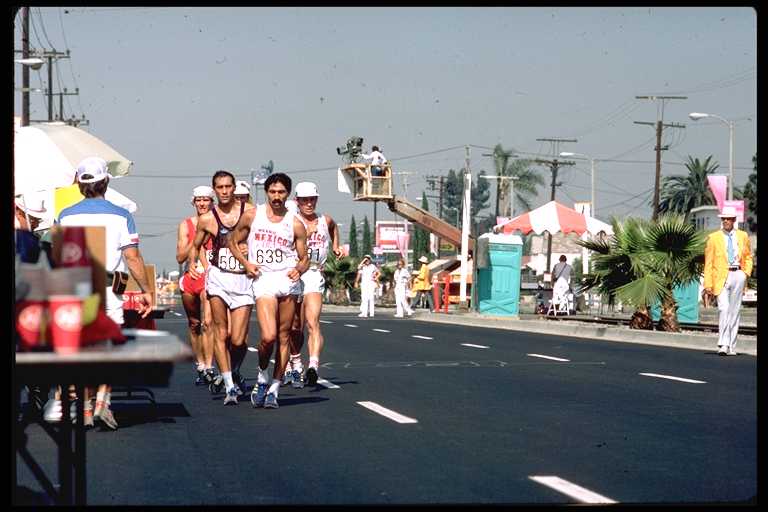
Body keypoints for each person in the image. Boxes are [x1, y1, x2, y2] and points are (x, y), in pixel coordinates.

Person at [57, 156, 154, 430]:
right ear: (106, 182)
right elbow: (132, 259)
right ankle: (102, 401)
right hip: (112, 286)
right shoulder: (122, 215)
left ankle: (87, 408)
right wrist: (147, 291)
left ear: (80, 185)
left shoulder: (65, 215)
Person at [227, 172, 309, 409]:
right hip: (263, 279)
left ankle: (274, 388)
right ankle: (262, 376)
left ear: (288, 194)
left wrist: (299, 270)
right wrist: (246, 264)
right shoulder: (253, 215)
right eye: (272, 192)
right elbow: (233, 241)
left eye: (281, 192)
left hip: (287, 280)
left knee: (284, 337)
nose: (276, 196)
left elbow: (304, 259)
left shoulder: (295, 222)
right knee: (268, 337)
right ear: (266, 193)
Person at [188, 170, 255, 405]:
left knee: (238, 339)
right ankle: (229, 385)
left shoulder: (249, 213)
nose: (225, 191)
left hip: (243, 279)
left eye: (228, 187)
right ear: (214, 189)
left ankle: (234, 370)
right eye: (220, 187)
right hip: (218, 277)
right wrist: (192, 265)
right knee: (221, 331)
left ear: (234, 188)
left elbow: (263, 237)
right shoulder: (207, 219)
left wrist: (250, 250)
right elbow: (195, 245)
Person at [285, 182, 342, 387]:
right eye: (304, 200)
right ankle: (295, 361)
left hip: (314, 272)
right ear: (297, 201)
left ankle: (313, 366)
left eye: (312, 199)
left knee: (313, 322)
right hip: (293, 274)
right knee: (295, 326)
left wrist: (335, 247)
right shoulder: (291, 221)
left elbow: (334, 228)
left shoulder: (325, 220)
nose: (309, 203)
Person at [176, 186, 216, 386]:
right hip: (191, 276)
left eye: (206, 200)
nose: (202, 204)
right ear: (194, 203)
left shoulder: (218, 223)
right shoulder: (186, 225)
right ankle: (200, 365)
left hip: (211, 277)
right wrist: (197, 239)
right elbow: (180, 256)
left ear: (212, 202)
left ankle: (209, 366)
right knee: (194, 324)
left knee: (208, 323)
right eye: (198, 200)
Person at [703, 206, 753, 356]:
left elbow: (748, 256)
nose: (725, 221)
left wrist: (746, 273)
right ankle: (723, 343)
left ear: (734, 220)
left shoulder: (743, 236)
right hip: (721, 277)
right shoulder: (714, 238)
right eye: (723, 218)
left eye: (728, 218)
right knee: (724, 309)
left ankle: (732, 346)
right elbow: (709, 263)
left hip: (738, 274)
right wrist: (708, 285)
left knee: (734, 311)